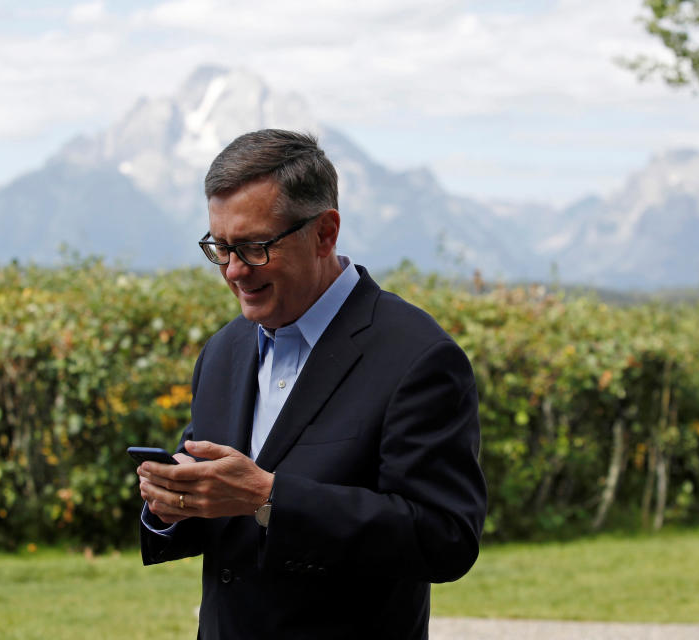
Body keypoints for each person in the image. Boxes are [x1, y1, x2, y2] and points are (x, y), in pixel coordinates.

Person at [137, 129, 487, 639]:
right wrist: (173, 503)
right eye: (221, 247)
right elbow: (226, 510)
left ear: (325, 233)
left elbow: (445, 537)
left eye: (255, 247)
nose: (234, 271)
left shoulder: (418, 356)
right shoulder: (224, 350)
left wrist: (270, 499)